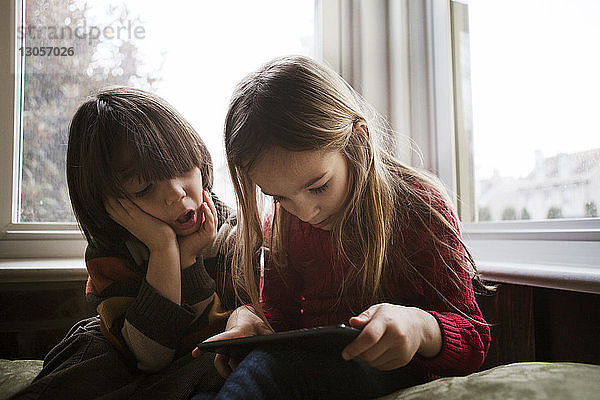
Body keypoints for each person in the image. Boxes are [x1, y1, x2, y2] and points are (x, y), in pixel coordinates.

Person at [191, 55, 492, 400]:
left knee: (267, 371)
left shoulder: (420, 207)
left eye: (318, 186)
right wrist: (248, 323)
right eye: (278, 197)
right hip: (308, 376)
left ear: (358, 143)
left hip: (395, 375)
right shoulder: (283, 225)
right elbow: (280, 316)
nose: (305, 212)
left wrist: (418, 327)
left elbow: (473, 339)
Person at [11, 87, 238, 400]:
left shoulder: (229, 231)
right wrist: (164, 251)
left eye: (183, 168)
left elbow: (215, 336)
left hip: (202, 353)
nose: (176, 192)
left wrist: (189, 264)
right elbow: (149, 356)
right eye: (144, 189)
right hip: (128, 349)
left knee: (215, 366)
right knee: (86, 358)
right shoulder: (110, 253)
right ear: (110, 205)